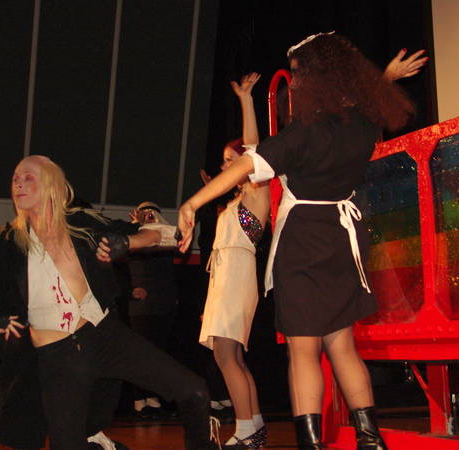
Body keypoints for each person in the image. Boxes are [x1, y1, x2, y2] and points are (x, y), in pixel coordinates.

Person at [178, 33, 424, 450]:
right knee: (342, 346)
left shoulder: (305, 132)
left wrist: (193, 202)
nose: (293, 82)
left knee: (303, 351)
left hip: (305, 240)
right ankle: (371, 440)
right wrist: (386, 78)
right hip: (343, 239)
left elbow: (245, 165)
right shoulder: (364, 123)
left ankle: (311, 444)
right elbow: (361, 102)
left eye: (297, 73)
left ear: (318, 77)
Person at [0, 155, 219, 450]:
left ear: (52, 185)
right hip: (57, 356)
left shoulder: (82, 225)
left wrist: (128, 243)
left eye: (28, 177)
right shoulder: (5, 241)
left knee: (193, 391)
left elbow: (165, 235)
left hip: (104, 334)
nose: (19, 184)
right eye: (15, 179)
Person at [196, 72, 269, 449]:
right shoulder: (236, 201)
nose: (225, 167)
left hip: (237, 276)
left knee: (227, 356)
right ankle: (253, 426)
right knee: (233, 357)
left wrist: (246, 100)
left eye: (230, 161)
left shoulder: (256, 191)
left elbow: (254, 148)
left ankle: (245, 430)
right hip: (226, 278)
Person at [126, 201, 179, 420]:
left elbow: (177, 240)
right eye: (144, 212)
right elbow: (120, 266)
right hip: (142, 307)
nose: (148, 215)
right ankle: (140, 401)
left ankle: (153, 399)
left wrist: (158, 223)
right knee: (140, 354)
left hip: (163, 305)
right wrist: (131, 289)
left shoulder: (164, 239)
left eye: (152, 212)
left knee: (159, 354)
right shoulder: (134, 238)